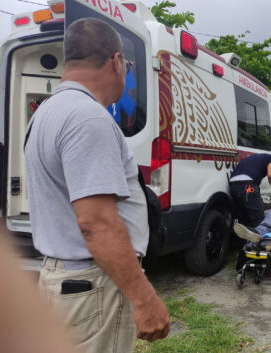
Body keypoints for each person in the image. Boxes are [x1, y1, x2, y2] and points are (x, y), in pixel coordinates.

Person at [24, 18, 169, 353]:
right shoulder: (88, 118)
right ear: (116, 62)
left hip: (65, 282)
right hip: (91, 289)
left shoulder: (45, 114)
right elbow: (97, 223)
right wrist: (144, 298)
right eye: (128, 65)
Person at [229, 153, 271, 227]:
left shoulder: (257, 158)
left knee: (243, 220)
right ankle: (255, 236)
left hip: (234, 186)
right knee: (257, 218)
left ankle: (242, 238)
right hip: (247, 186)